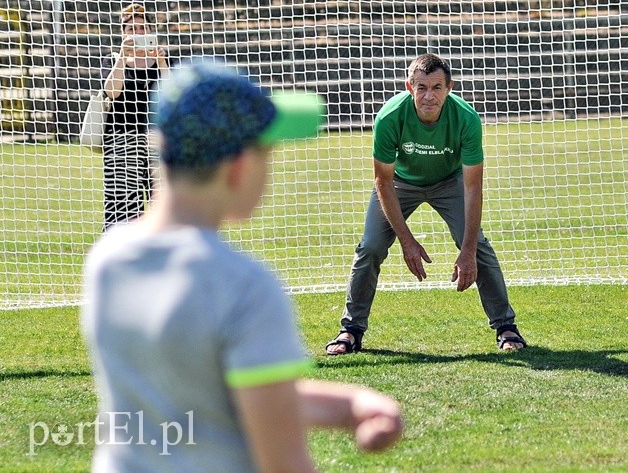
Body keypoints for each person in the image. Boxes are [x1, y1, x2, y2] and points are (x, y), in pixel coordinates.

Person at [81, 62, 404, 472]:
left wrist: (347, 406)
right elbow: (284, 462)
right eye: (266, 152)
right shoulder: (243, 286)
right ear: (237, 166)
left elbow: (206, 393)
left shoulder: (110, 259)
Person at [325, 53, 527, 355]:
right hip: (399, 184)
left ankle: (506, 326)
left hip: (450, 181)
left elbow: (473, 186)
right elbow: (382, 181)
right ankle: (350, 330)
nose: (429, 96)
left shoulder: (466, 119)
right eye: (421, 87)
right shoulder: (390, 117)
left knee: (478, 246)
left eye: (436, 87)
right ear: (410, 87)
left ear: (449, 88)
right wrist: (407, 241)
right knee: (370, 246)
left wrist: (468, 251)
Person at [98, 2, 170, 230]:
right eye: (131, 29)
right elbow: (111, 91)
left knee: (165, 202)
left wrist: (160, 61)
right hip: (122, 141)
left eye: (142, 28)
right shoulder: (113, 60)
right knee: (123, 207)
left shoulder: (161, 61)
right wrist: (122, 57)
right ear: (123, 33)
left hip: (156, 141)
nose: (137, 33)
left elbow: (173, 93)